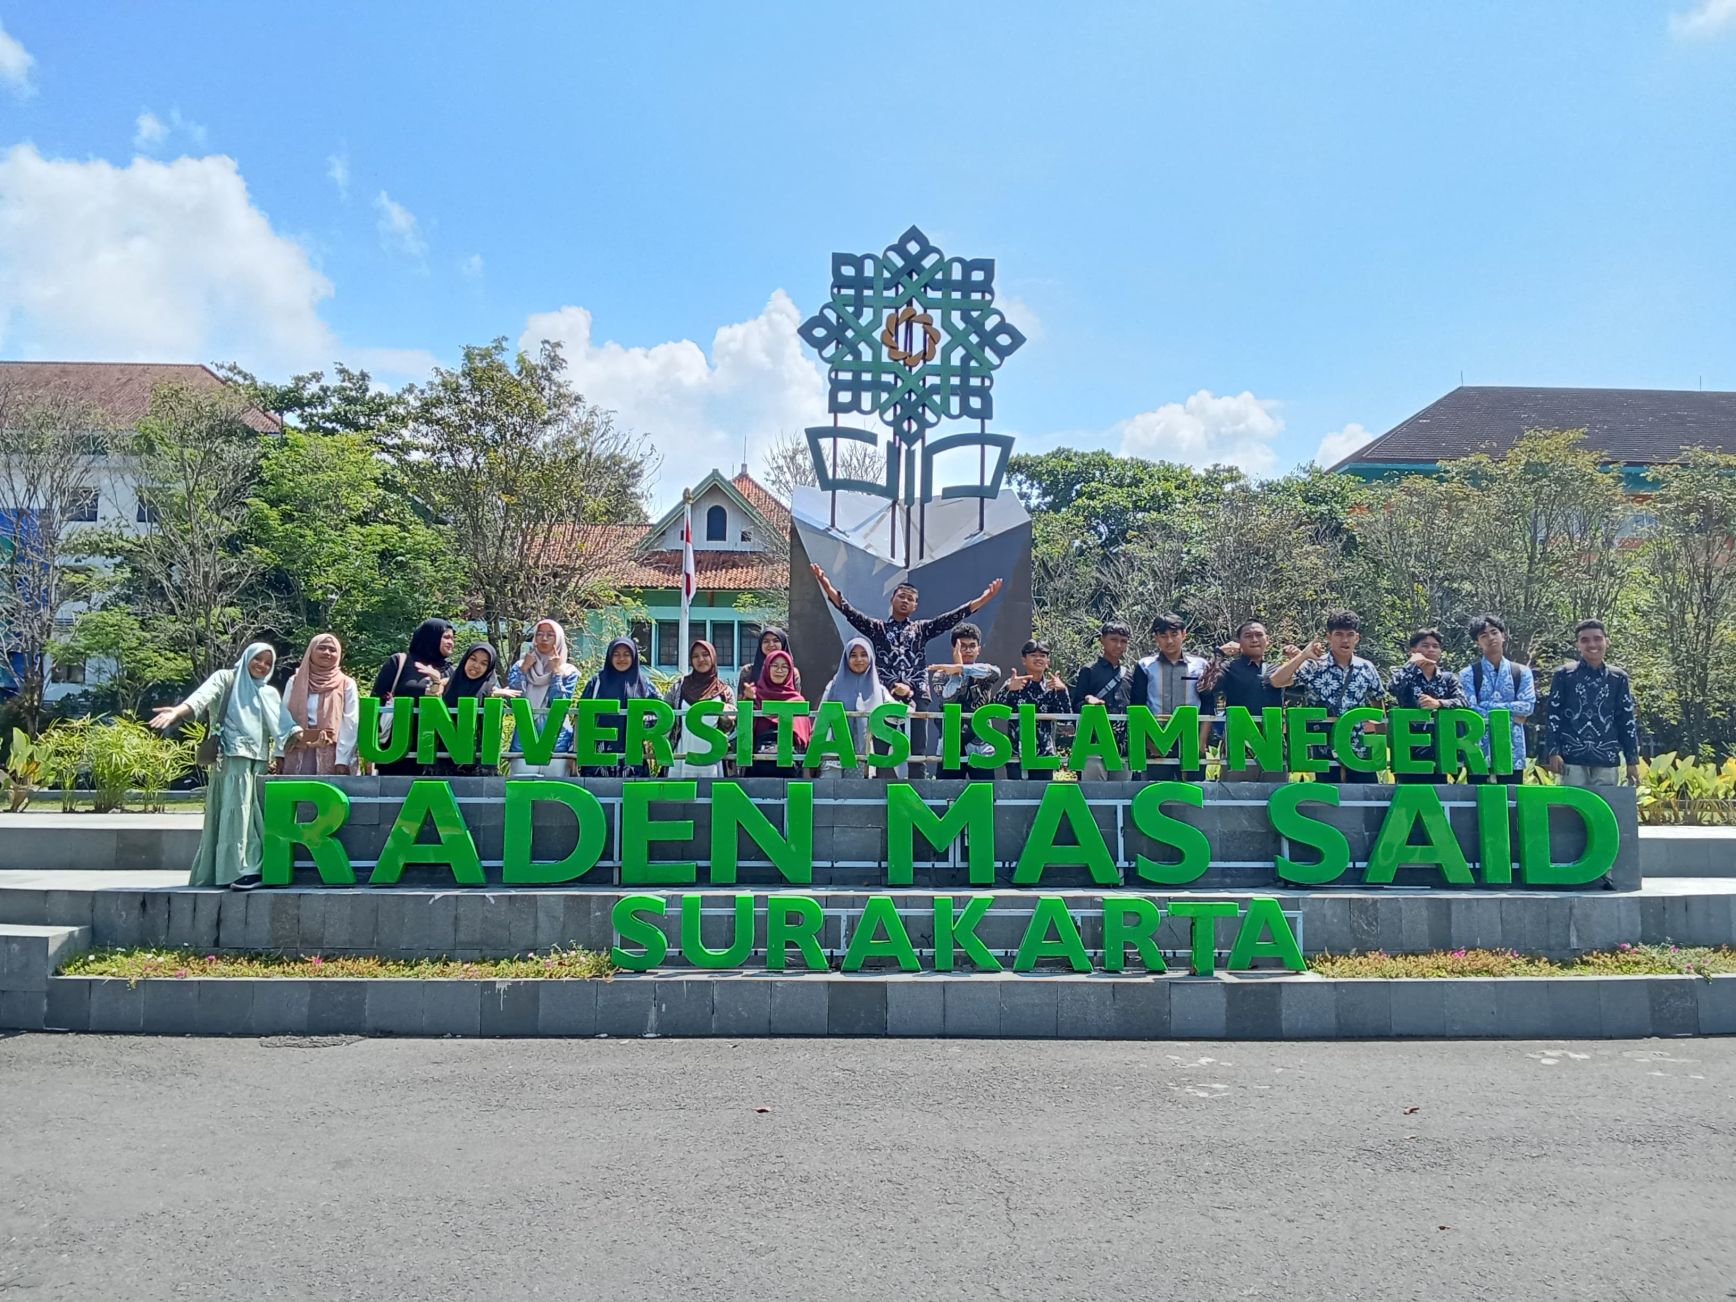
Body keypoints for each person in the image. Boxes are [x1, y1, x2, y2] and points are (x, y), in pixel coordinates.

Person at [149, 642, 303, 891]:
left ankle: (244, 869)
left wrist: (311, 738)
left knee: (252, 813)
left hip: (258, 762)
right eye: (258, 659)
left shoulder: (268, 693)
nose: (262, 666)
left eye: (267, 662)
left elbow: (286, 725)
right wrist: (177, 711)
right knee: (236, 811)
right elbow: (201, 697)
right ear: (246, 658)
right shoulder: (226, 679)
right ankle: (242, 869)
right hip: (231, 758)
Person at [809, 563, 1004, 758]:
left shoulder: (921, 629)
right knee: (881, 749)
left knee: (918, 749)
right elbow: (849, 612)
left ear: (915, 606)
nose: (905, 601)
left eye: (910, 599)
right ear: (892, 599)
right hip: (885, 693)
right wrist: (826, 584)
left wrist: (983, 599)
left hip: (918, 692)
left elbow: (950, 618)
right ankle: (879, 785)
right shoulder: (878, 629)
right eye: (901, 596)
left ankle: (918, 783)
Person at [1270, 610, 1387, 784]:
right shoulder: (1314, 666)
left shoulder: (1366, 668)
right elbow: (1276, 681)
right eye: (1339, 634)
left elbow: (1378, 707)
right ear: (1329, 637)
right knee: (1328, 803)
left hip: (1359, 749)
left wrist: (1379, 745)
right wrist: (1303, 655)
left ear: (1357, 638)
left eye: (1350, 635)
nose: (1345, 640)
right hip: (1324, 749)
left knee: (1365, 801)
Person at [1543, 619, 1641, 787]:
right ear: (1577, 645)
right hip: (1571, 756)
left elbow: (1626, 720)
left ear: (1607, 641)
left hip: (1607, 757)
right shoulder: (1564, 674)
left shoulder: (1618, 678)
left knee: (1604, 809)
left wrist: (1632, 761)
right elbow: (1553, 716)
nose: (1592, 644)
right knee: (1571, 809)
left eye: (1597, 639)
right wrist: (1553, 751)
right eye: (1585, 640)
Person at [1199, 619, 1286, 782]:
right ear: (1238, 642)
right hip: (1239, 745)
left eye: (1259, 635)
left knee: (1277, 797)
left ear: (1268, 640)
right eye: (1248, 636)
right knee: (1236, 798)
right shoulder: (1230, 667)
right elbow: (1204, 687)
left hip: (1272, 744)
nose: (1254, 639)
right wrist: (1219, 654)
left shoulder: (1278, 670)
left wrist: (1301, 658)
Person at [370, 617, 455, 776]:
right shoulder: (400, 663)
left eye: (452, 638)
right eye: (446, 637)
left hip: (435, 753)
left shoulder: (451, 672)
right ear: (431, 637)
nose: (451, 642)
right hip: (397, 751)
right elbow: (376, 702)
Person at [1458, 614, 1536, 784]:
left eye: (1494, 632)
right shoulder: (1468, 674)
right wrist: (1511, 714)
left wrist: (1486, 705)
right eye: (1483, 636)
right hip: (1477, 749)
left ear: (1503, 635)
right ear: (1477, 642)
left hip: (1512, 750)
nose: (1490, 638)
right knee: (1477, 803)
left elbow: (1527, 706)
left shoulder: (1521, 672)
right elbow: (1470, 709)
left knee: (1512, 802)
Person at [1130, 612, 1213, 770]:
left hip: (1191, 739)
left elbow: (1208, 705)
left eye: (1174, 634)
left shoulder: (1201, 665)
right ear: (1156, 637)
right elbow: (1138, 706)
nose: (1169, 640)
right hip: (1156, 739)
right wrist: (1149, 744)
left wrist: (1201, 741)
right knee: (1156, 790)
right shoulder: (1144, 666)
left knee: (1192, 791)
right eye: (1163, 635)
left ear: (1184, 634)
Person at [1386, 628, 1468, 784]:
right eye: (1425, 645)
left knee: (1440, 795)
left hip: (1440, 748)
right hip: (1409, 748)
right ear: (1414, 650)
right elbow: (1393, 687)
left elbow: (1463, 701)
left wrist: (1439, 703)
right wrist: (1411, 664)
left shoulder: (1448, 678)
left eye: (1435, 646)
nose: (1431, 650)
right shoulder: (1404, 674)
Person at [928, 621, 1003, 778]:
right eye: (962, 646)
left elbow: (996, 672)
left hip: (981, 743)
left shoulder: (984, 671)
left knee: (984, 794)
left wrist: (962, 668)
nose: (968, 650)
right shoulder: (940, 675)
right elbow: (948, 700)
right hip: (951, 743)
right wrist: (956, 674)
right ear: (954, 649)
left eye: (972, 646)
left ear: (978, 649)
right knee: (947, 796)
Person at [506, 619, 579, 778]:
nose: (544, 639)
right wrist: (524, 669)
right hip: (525, 739)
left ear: (558, 639)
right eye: (539, 634)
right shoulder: (520, 666)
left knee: (555, 792)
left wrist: (556, 673)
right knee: (521, 789)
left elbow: (559, 703)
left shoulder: (568, 671)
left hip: (556, 740)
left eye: (550, 635)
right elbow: (514, 700)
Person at [280, 633, 358, 776]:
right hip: (298, 747)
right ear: (311, 651)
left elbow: (350, 722)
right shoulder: (295, 681)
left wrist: (342, 759)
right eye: (321, 648)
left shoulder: (346, 683)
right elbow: (283, 718)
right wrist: (279, 752)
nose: (327, 653)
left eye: (332, 650)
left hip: (332, 751)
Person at [580, 637, 657, 776]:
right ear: (609, 656)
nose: (621, 659)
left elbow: (660, 714)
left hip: (633, 761)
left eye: (626, 654)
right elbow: (581, 718)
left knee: (633, 797)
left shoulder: (645, 686)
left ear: (634, 657)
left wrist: (643, 724)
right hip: (598, 759)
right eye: (616, 654)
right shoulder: (596, 683)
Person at [996, 639, 1071, 780]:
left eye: (1042, 655)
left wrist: (1063, 691)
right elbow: (994, 710)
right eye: (1033, 655)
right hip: (1016, 754)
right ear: (1024, 660)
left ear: (1048, 661)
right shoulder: (1016, 683)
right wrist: (1008, 689)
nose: (1038, 659)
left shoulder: (1053, 687)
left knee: (1043, 798)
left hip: (1044, 754)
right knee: (1017, 798)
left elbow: (1067, 720)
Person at [437, 642, 515, 775]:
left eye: (484, 663)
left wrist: (493, 693)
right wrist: (434, 684)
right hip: (442, 759)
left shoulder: (488, 690)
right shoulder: (447, 683)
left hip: (475, 763)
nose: (476, 666)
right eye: (473, 659)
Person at [1070, 619, 1135, 782]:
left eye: (1123, 641)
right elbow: (1075, 706)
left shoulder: (1129, 674)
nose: (1118, 645)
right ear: (1102, 640)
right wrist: (1087, 700)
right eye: (1113, 640)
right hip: (1093, 744)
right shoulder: (1089, 670)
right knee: (1095, 796)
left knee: (1121, 796)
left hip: (1123, 747)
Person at [665, 639, 736, 779]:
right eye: (695, 656)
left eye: (705, 654)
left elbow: (731, 729)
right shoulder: (678, 687)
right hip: (682, 756)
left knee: (711, 798)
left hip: (713, 761)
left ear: (713, 657)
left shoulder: (724, 691)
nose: (701, 659)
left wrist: (727, 719)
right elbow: (665, 715)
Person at [821, 636, 891, 774]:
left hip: (865, 754)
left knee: (861, 792)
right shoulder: (834, 686)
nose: (859, 660)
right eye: (853, 655)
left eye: (864, 655)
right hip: (835, 753)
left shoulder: (879, 690)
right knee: (830, 792)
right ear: (846, 659)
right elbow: (821, 719)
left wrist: (907, 697)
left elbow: (896, 713)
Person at [743, 648, 813, 776]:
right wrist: (748, 699)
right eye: (774, 665)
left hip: (790, 770)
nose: (779, 670)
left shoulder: (797, 701)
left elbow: (804, 741)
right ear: (766, 668)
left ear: (790, 671)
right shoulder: (754, 694)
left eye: (784, 666)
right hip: (757, 768)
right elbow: (742, 731)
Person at [738, 626, 800, 698]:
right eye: (766, 641)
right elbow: (740, 703)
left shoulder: (792, 672)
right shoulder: (748, 671)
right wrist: (748, 697)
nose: (771, 644)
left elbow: (796, 699)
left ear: (783, 643)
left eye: (776, 640)